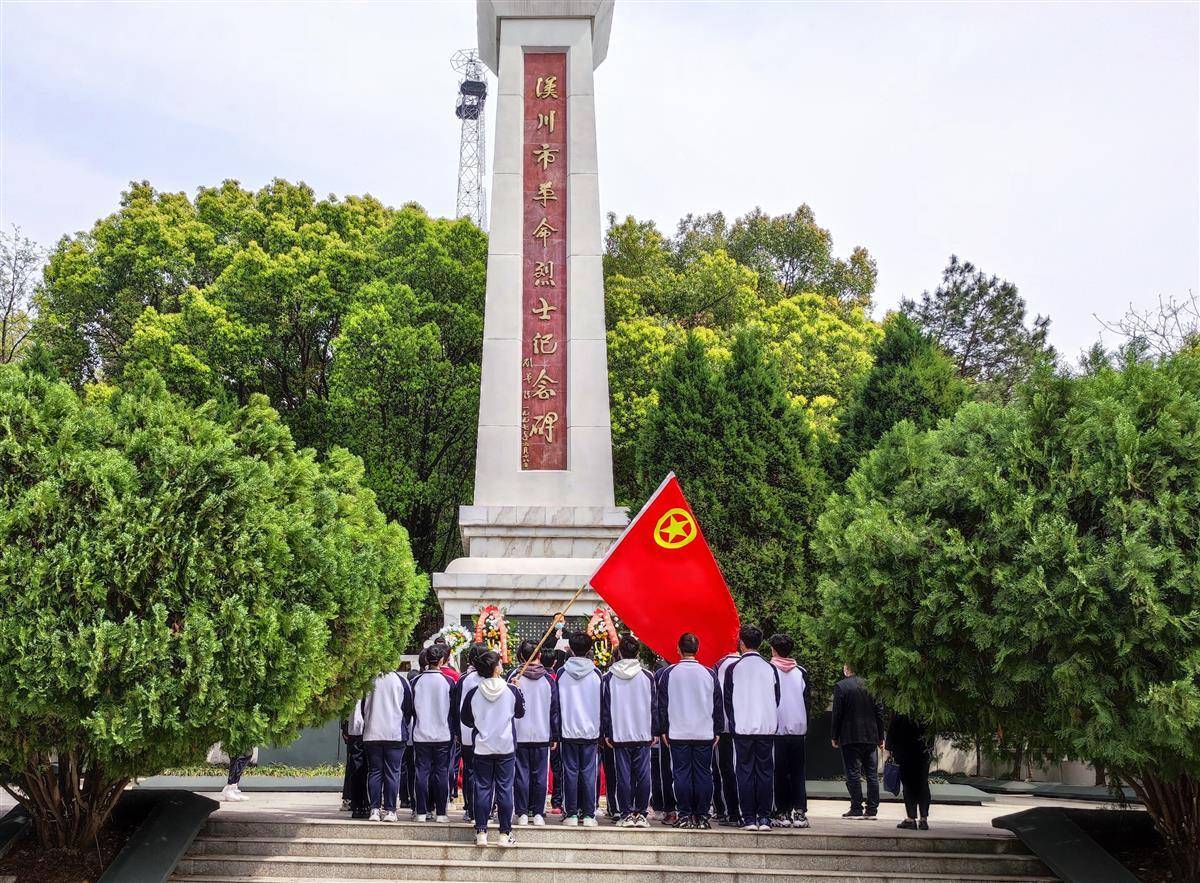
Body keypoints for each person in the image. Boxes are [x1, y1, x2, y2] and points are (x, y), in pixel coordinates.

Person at [460, 649, 525, 847]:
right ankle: (505, 833)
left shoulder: (473, 692)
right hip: (505, 746)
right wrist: (518, 691)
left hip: (482, 746)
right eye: (500, 663)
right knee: (505, 789)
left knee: (482, 789)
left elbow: (466, 719)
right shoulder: (511, 690)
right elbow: (520, 713)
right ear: (496, 669)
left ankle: (481, 831)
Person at [657, 632, 722, 829]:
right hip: (703, 731)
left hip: (678, 731)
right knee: (704, 774)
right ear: (697, 649)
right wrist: (717, 729)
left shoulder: (669, 673)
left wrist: (663, 729)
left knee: (681, 774)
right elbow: (717, 704)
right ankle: (702, 815)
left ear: (678, 649)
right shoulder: (709, 673)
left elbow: (662, 704)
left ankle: (684, 814)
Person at [722, 625, 781, 832]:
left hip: (743, 729)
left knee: (744, 772)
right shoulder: (770, 668)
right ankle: (764, 817)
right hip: (766, 728)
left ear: (742, 643)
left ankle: (748, 817)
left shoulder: (733, 669)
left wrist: (735, 721)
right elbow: (777, 698)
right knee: (765, 772)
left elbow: (727, 700)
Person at [601, 635, 656, 828]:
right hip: (642, 731)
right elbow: (653, 706)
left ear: (620, 653)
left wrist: (607, 732)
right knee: (643, 775)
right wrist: (654, 730)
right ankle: (640, 813)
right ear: (638, 652)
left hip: (620, 731)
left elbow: (605, 707)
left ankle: (625, 813)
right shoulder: (647, 676)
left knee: (622, 775)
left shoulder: (608, 677)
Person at [509, 639, 560, 826]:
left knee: (521, 774)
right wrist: (554, 734)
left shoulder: (514, 677)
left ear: (521, 655)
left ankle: (522, 812)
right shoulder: (547, 679)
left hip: (520, 733)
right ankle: (538, 812)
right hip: (541, 732)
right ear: (539, 655)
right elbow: (554, 709)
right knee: (540, 775)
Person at [556, 631, 603, 826]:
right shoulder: (597, 674)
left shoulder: (561, 673)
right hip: (591, 730)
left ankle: (572, 814)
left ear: (571, 649)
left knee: (570, 772)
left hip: (568, 729)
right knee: (588, 773)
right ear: (590, 650)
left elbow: (556, 704)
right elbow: (603, 703)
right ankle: (589, 814)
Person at [831, 663, 885, 820]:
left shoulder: (841, 686)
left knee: (853, 773)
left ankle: (856, 807)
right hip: (870, 736)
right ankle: (872, 809)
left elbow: (837, 714)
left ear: (847, 669)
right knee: (871, 774)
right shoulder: (872, 686)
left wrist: (834, 736)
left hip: (850, 736)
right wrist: (881, 737)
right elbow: (879, 712)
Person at [409, 645, 456, 822]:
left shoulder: (416, 682)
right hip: (442, 734)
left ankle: (421, 811)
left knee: (422, 773)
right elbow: (453, 710)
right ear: (442, 661)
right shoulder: (448, 682)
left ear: (427, 660)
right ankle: (441, 813)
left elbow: (411, 709)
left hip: (421, 733)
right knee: (442, 773)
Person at [361, 666, 414, 822]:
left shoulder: (370, 680)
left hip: (373, 732)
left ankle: (375, 809)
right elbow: (408, 709)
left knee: (375, 772)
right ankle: (390, 810)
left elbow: (364, 707)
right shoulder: (401, 681)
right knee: (393, 772)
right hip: (394, 732)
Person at [769, 633, 810, 829]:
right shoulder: (801, 671)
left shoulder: (769, 670)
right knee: (797, 773)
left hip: (777, 729)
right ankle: (800, 812)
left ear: (774, 649)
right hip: (798, 728)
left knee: (779, 773)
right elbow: (807, 701)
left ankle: (782, 811)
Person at [451, 642, 489, 822]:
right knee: (487, 774)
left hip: (467, 733)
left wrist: (458, 731)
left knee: (470, 771)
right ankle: (486, 807)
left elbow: (457, 708)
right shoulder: (492, 679)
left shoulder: (465, 679)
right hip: (489, 734)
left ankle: (470, 808)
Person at [885, 712, 932, 830]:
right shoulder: (927, 704)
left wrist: (889, 748)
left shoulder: (902, 706)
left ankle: (911, 818)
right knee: (922, 782)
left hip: (904, 749)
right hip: (923, 749)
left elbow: (893, 727)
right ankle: (923, 819)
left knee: (908, 783)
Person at [712, 647, 742, 826]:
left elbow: (717, 699)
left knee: (725, 770)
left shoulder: (720, 666)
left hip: (725, 728)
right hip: (749, 727)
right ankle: (751, 812)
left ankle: (728, 812)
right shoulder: (753, 665)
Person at [649, 657, 677, 824]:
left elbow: (657, 703)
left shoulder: (662, 673)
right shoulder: (704, 672)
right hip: (691, 730)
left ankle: (668, 809)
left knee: (665, 770)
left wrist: (658, 729)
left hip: (668, 731)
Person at [541, 646, 566, 815]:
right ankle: (557, 802)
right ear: (555, 662)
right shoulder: (555, 678)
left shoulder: (549, 679)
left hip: (538, 731)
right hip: (555, 730)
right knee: (557, 769)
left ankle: (532, 806)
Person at [340, 697, 369, 818]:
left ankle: (358, 805)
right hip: (362, 731)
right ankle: (360, 804)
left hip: (359, 730)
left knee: (357, 770)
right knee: (359, 770)